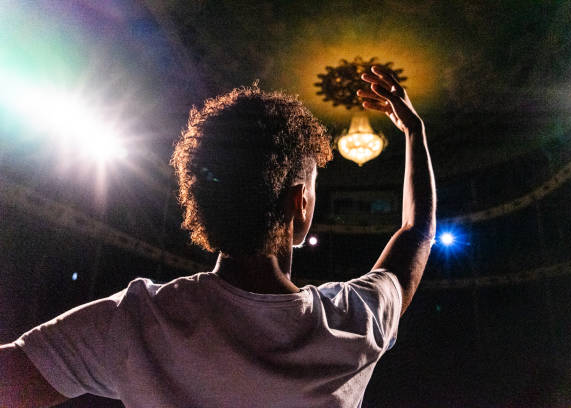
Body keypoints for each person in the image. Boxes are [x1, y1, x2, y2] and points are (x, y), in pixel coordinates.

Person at [0, 66, 436, 407]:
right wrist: (414, 132)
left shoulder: (137, 322)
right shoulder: (350, 325)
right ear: (300, 204)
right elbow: (415, 234)